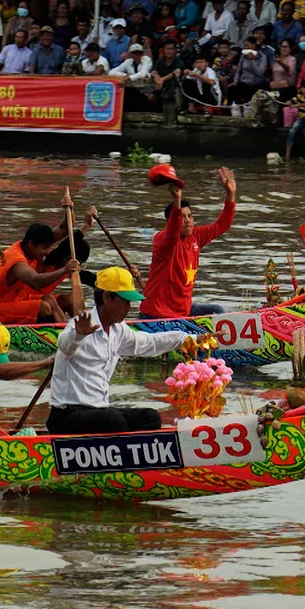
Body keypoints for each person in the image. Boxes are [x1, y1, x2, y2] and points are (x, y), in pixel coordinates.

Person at [48, 268, 197, 435]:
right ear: (107, 297)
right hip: (67, 416)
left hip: (98, 412)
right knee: (113, 419)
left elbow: (150, 342)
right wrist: (78, 334)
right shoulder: (79, 325)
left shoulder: (119, 330)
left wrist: (193, 339)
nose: (128, 308)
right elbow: (65, 345)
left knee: (150, 417)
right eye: (125, 301)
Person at [140, 166, 235, 319]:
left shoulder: (196, 236)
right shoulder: (162, 239)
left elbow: (222, 225)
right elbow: (172, 231)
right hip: (157, 314)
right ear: (170, 221)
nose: (188, 221)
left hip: (183, 311)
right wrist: (176, 199)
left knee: (217, 310)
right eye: (182, 217)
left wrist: (230, 194)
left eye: (190, 216)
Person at [0, 214, 83, 323]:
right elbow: (36, 281)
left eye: (49, 247)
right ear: (31, 244)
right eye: (44, 248)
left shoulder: (32, 245)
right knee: (43, 307)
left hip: (11, 300)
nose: (47, 252)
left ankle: (68, 332)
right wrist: (64, 270)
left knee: (50, 299)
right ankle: (60, 336)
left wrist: (68, 206)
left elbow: (64, 228)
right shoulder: (17, 261)